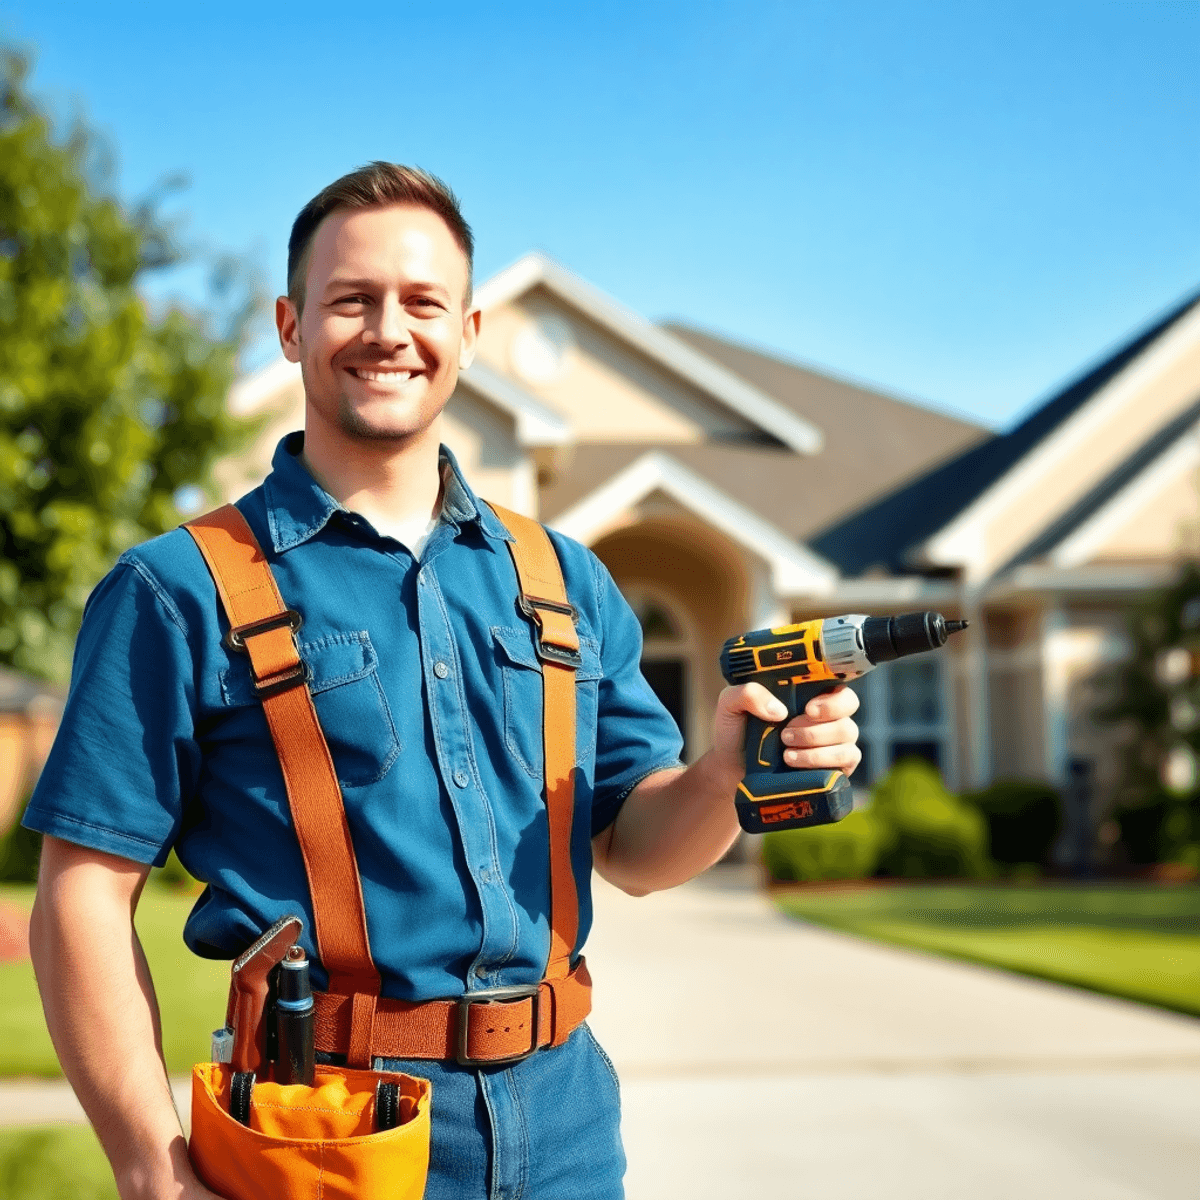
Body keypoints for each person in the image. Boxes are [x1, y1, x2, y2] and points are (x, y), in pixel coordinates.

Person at [26, 162, 861, 1200]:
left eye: (422, 302)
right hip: (321, 1128)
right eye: (350, 300)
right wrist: (154, 1175)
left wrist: (725, 773)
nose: (388, 330)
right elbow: (83, 899)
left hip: (568, 1131)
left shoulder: (563, 579)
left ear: (468, 333)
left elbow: (637, 850)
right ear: (291, 326)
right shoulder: (175, 591)